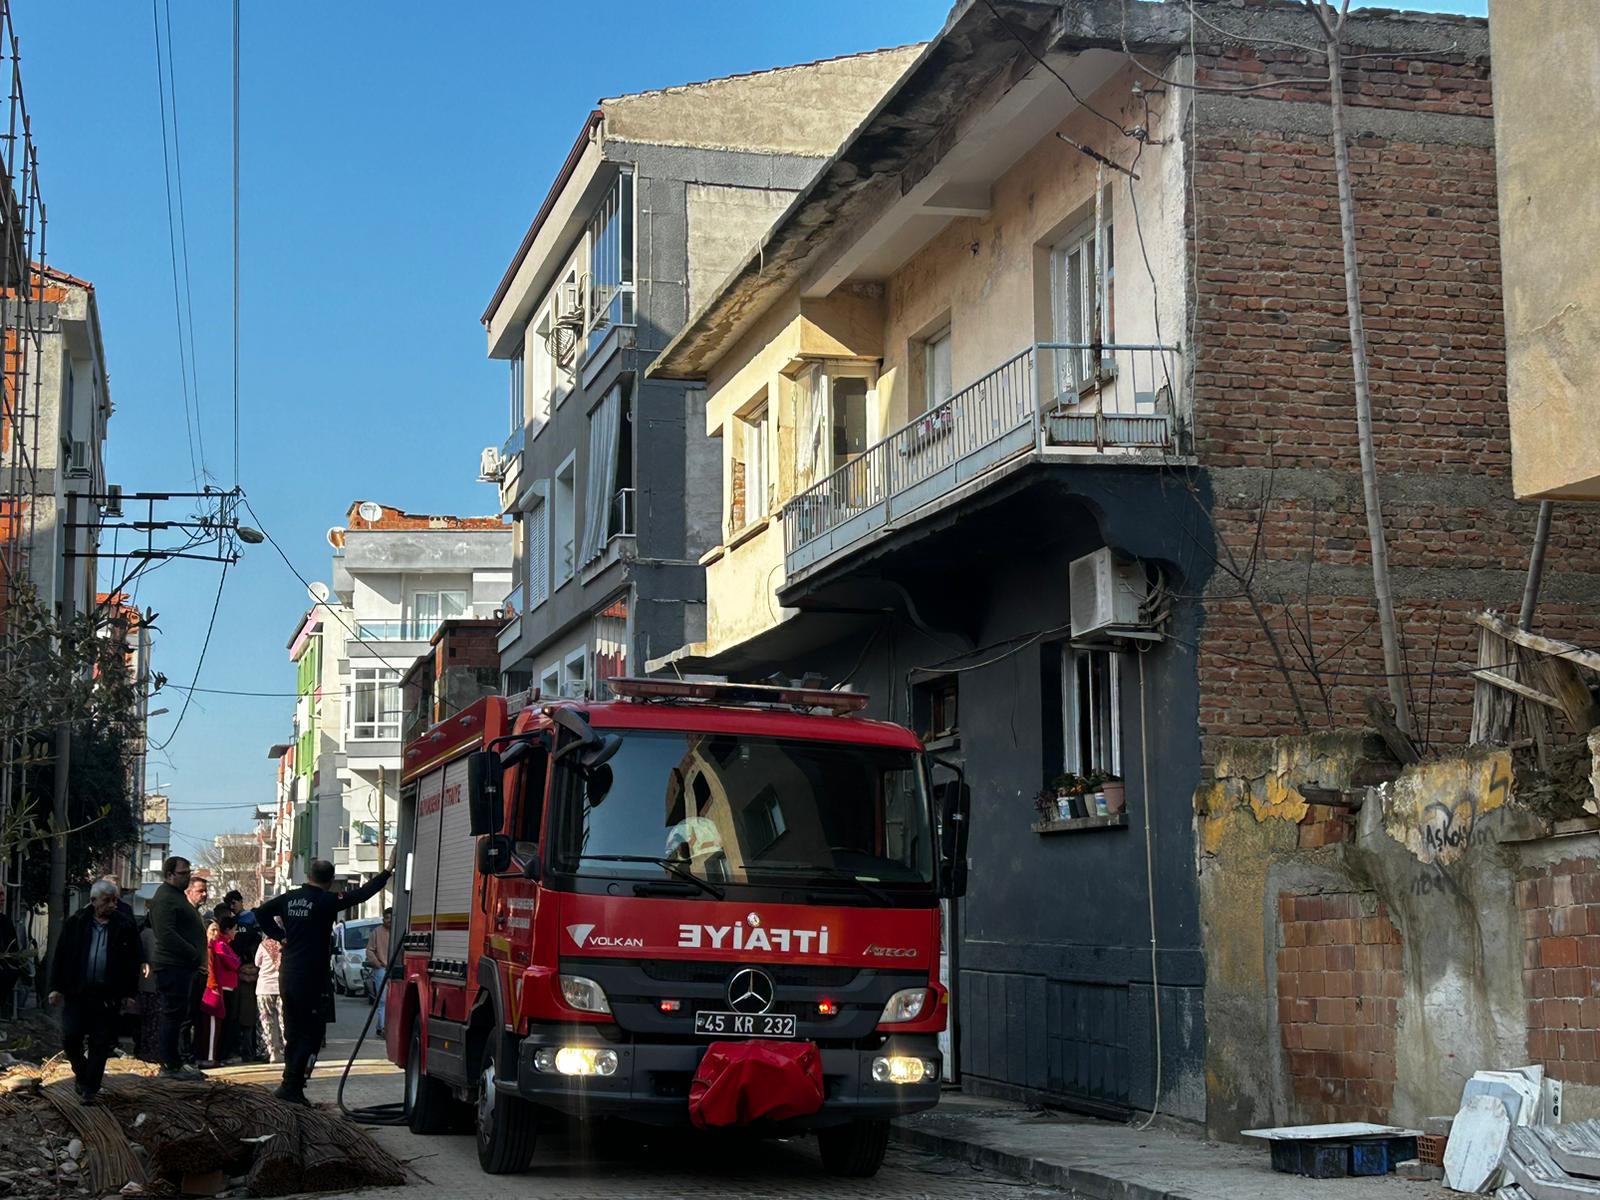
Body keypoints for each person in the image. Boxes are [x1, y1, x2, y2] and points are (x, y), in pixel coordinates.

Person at [252, 855, 393, 1105]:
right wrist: (386, 872)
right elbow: (360, 895)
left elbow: (260, 912)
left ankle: (291, 1083)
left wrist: (280, 935)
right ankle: (292, 1086)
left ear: (308, 876)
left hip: (289, 973)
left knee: (294, 1030)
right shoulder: (326, 901)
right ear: (329, 880)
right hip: (311, 975)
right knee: (311, 1032)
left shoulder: (288, 898)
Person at [48, 880, 140, 1104]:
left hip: (107, 995)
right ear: (93, 901)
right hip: (78, 992)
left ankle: (90, 1088)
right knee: (71, 1037)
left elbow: (132, 962)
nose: (112, 905)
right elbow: (61, 956)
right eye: (107, 900)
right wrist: (56, 987)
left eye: (115, 900)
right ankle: (81, 1074)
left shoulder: (124, 926)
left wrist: (129, 994)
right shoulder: (76, 923)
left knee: (101, 1043)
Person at [148, 856, 208, 1080]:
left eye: (188, 872)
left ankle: (176, 1061)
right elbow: (166, 934)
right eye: (183, 873)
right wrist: (192, 953)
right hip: (173, 965)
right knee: (173, 1015)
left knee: (180, 1015)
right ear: (169, 874)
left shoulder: (176, 897)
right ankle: (170, 1064)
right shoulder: (165, 898)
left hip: (184, 967)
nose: (187, 876)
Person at [225, 891, 263, 1062]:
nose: (233, 907)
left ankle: (248, 1050)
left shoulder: (250, 920)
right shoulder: (232, 922)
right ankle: (241, 1049)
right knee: (237, 1016)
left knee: (247, 1017)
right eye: (230, 904)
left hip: (247, 972)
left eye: (235, 903)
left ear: (241, 901)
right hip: (235, 973)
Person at [198, 914, 240, 1069]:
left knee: (217, 1024)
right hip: (214, 989)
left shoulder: (216, 946)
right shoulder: (213, 947)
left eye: (217, 930)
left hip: (217, 989)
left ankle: (212, 1056)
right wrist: (214, 986)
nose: (216, 934)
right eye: (212, 930)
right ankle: (209, 1057)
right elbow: (229, 964)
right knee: (212, 1025)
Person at [134, 916, 162, 1061]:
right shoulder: (153, 936)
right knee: (153, 1022)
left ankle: (140, 1050)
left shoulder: (141, 934)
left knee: (142, 1021)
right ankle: (151, 1053)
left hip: (140, 985)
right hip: (153, 985)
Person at [255, 935, 284, 1064]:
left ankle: (273, 1052)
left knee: (267, 1021)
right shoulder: (284, 944)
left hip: (264, 988)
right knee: (284, 1021)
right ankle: (286, 1050)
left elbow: (257, 962)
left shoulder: (263, 945)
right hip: (281, 987)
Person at [365, 908, 393, 1037]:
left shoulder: (397, 931)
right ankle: (382, 1028)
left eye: (392, 918)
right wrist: (377, 964)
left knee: (392, 1001)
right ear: (383, 919)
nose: (390, 921)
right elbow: (369, 951)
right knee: (383, 1000)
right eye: (387, 918)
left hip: (396, 969)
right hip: (382, 969)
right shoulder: (376, 932)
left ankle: (384, 1026)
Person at [0, 887, 20, 1021]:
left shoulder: (5, 922)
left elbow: (14, 951)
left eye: (3, 894)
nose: (2, 898)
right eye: (0, 894)